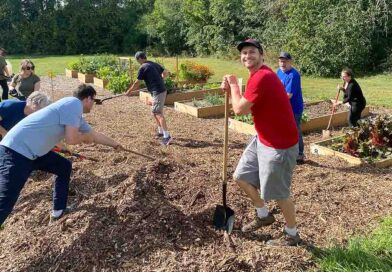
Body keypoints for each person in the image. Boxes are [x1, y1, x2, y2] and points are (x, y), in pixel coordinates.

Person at [0, 84, 124, 226]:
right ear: (89, 98)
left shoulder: (74, 112)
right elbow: (71, 139)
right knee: (6, 201)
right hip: (16, 151)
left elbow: (94, 135)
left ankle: (58, 211)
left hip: (34, 152)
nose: (93, 106)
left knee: (63, 167)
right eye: (94, 101)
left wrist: (115, 144)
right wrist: (84, 138)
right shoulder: (73, 104)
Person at [221, 39, 301, 246]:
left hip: (279, 145)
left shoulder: (262, 77)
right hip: (263, 138)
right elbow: (245, 103)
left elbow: (239, 109)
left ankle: (292, 235)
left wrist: (232, 85)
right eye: (244, 53)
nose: (247, 56)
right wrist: (233, 89)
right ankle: (263, 214)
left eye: (252, 52)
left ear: (262, 56)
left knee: (278, 193)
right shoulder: (257, 75)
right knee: (241, 177)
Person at [125, 51, 171, 145]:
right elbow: (165, 72)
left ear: (140, 59)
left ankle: (167, 136)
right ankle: (161, 132)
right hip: (159, 90)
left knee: (157, 112)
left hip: (158, 91)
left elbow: (137, 83)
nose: (138, 61)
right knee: (154, 112)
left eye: (137, 60)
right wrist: (161, 79)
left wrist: (129, 91)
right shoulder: (153, 63)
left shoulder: (143, 67)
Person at [276, 52, 305, 164]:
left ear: (290, 62)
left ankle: (300, 154)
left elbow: (288, 95)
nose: (282, 63)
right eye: (281, 61)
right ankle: (286, 151)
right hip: (283, 108)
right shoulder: (279, 72)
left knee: (295, 130)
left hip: (294, 108)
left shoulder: (294, 75)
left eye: (285, 61)